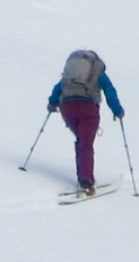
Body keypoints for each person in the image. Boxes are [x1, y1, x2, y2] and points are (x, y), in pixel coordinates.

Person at [46, 48, 125, 193]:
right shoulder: (97, 71)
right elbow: (109, 91)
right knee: (86, 144)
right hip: (88, 108)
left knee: (82, 141)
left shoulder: (71, 73)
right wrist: (117, 110)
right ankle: (86, 180)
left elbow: (58, 87)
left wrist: (52, 104)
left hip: (67, 108)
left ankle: (83, 175)